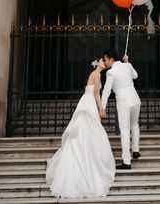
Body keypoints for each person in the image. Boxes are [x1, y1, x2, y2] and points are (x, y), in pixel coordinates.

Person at [46, 57, 115, 198]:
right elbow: (96, 93)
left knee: (87, 133)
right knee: (90, 133)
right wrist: (101, 108)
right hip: (89, 104)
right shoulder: (96, 74)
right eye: (102, 60)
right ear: (98, 63)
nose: (104, 62)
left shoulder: (96, 74)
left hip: (87, 103)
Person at [100, 49, 141, 170]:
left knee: (124, 130)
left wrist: (102, 108)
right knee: (134, 125)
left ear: (111, 59)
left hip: (124, 103)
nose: (105, 62)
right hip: (135, 100)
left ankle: (127, 162)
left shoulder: (111, 72)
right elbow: (135, 76)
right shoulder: (127, 66)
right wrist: (128, 63)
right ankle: (135, 150)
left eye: (105, 60)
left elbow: (106, 92)